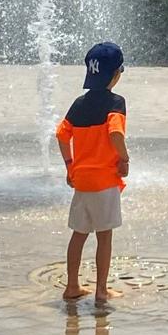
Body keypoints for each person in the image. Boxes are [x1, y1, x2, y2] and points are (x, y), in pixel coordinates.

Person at [56, 41, 129, 305]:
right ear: (116, 74)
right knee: (104, 236)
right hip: (105, 181)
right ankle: (101, 290)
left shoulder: (78, 104)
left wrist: (69, 165)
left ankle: (72, 286)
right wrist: (124, 158)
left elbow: (61, 135)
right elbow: (116, 133)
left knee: (79, 234)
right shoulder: (116, 103)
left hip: (82, 181)